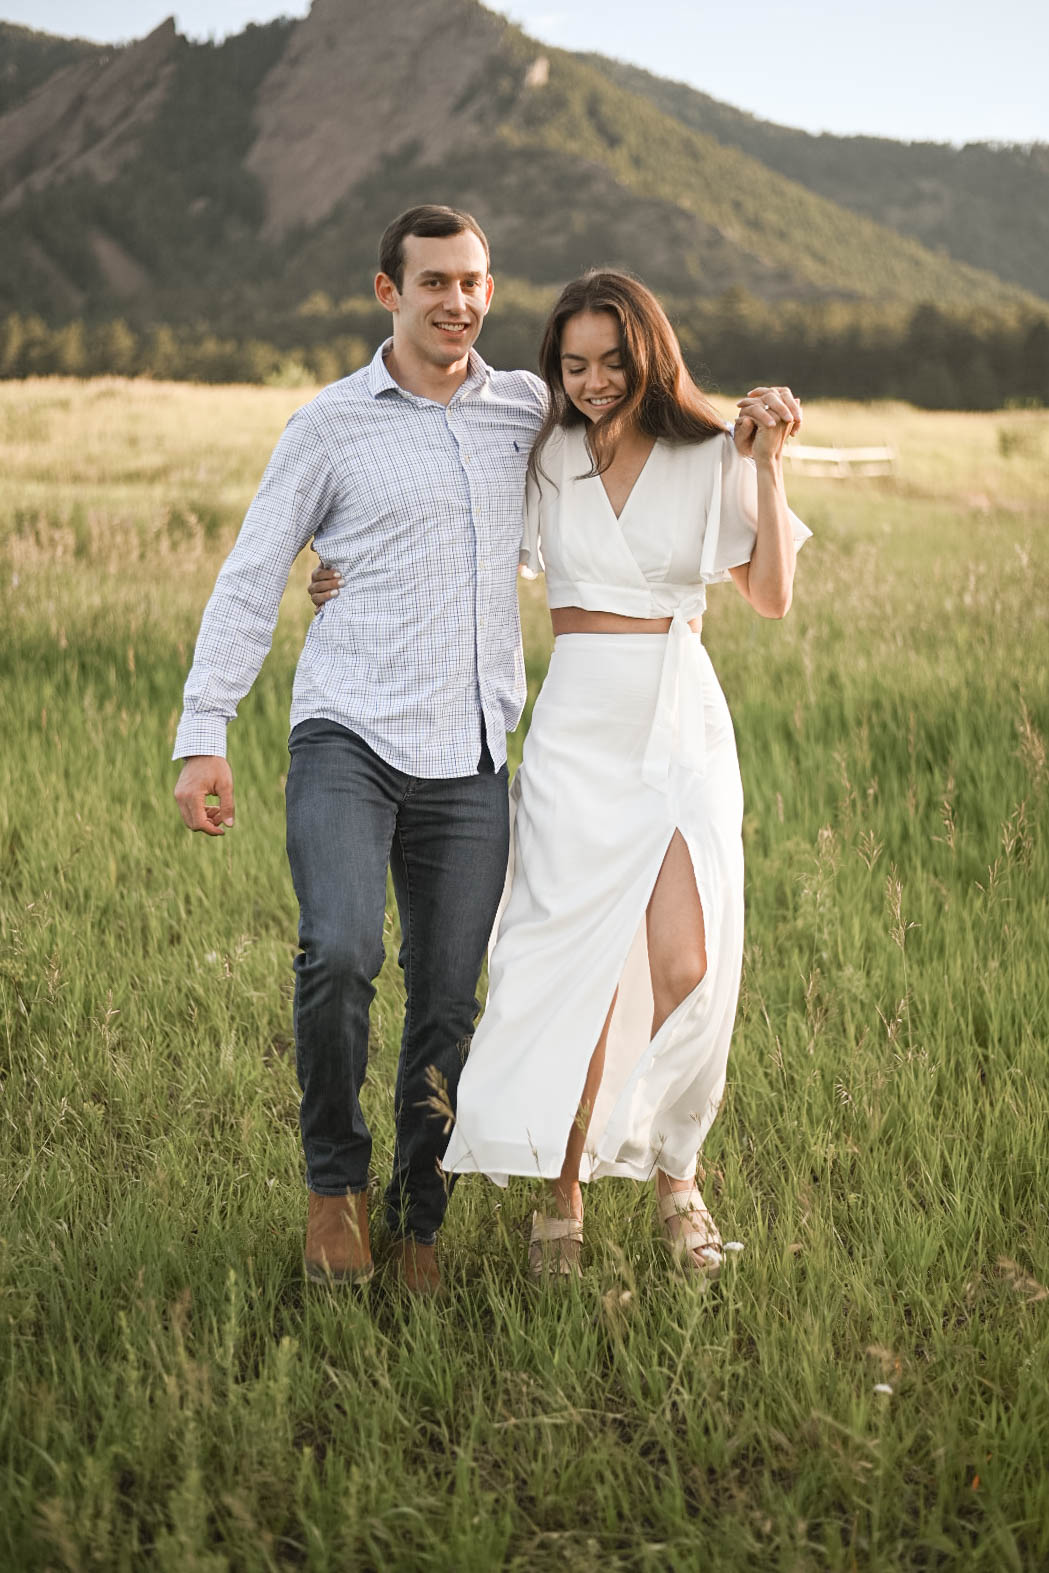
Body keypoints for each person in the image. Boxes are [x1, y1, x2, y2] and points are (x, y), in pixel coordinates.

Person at [172, 205, 549, 1295]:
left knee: (446, 998)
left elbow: (627, 429)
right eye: (434, 282)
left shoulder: (521, 409)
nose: (459, 301)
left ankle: (417, 1220)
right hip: (349, 731)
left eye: (474, 281)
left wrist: (746, 432)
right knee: (339, 952)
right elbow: (251, 574)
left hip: (471, 752)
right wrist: (205, 734)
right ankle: (333, 1188)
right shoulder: (327, 425)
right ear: (388, 291)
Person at [403, 271, 807, 1279]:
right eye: (572, 363)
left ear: (647, 357)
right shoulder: (544, 457)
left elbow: (767, 596)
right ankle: (564, 1190)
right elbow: (451, 539)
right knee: (565, 960)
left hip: (676, 713)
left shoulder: (709, 450)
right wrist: (340, 572)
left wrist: (766, 467)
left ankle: (676, 1165)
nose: (589, 380)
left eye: (610, 362)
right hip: (579, 722)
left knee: (685, 963)